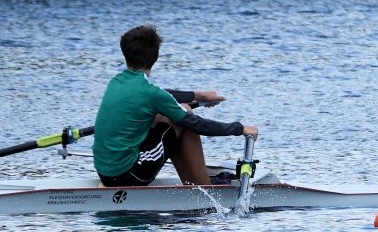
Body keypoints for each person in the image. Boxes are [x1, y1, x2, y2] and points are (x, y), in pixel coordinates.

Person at [92, 25, 258, 186]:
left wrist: (198, 96)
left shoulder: (115, 82)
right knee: (184, 114)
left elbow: (162, 96)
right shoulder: (150, 93)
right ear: (156, 56)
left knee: (165, 114)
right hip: (131, 175)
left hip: (105, 172)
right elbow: (197, 125)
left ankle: (192, 182)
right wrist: (240, 129)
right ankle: (203, 184)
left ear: (125, 53)